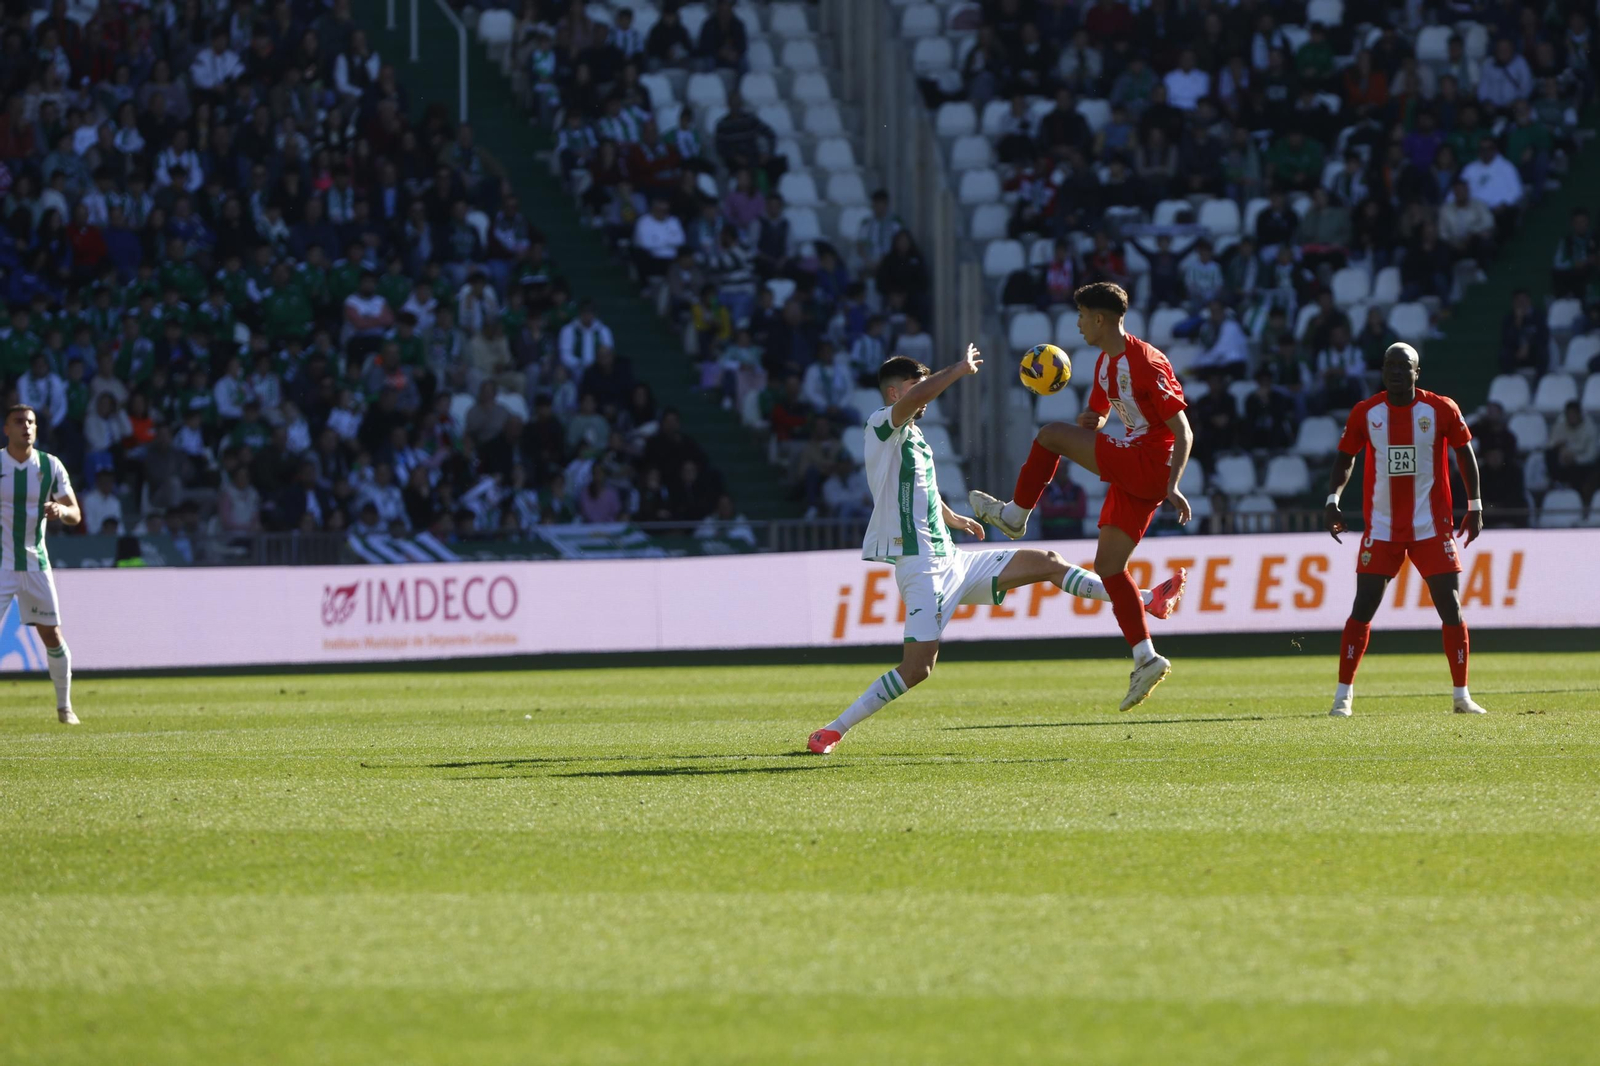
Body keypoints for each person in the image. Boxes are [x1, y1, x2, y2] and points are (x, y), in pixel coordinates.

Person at [806, 349, 1185, 755]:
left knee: (1048, 563)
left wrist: (954, 518)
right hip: (922, 569)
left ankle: (1146, 600)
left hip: (952, 558)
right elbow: (915, 404)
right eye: (916, 388)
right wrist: (957, 370)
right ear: (894, 393)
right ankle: (832, 730)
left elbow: (918, 490)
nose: (924, 397)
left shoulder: (914, 439)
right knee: (918, 669)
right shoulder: (881, 423)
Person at [967, 283, 1193, 711]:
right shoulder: (1106, 364)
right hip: (1136, 467)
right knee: (1109, 567)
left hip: (1150, 462)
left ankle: (1015, 515)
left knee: (1049, 435)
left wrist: (1173, 484)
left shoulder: (1146, 361)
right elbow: (1099, 414)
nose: (1077, 323)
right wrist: (1093, 418)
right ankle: (1145, 657)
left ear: (1100, 319)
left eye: (1082, 316)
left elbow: (1183, 430)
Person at [1324, 344, 1486, 718]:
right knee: (1362, 607)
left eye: (1404, 366)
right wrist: (1333, 499)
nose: (1396, 371)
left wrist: (1474, 507)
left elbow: (1465, 453)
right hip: (1381, 528)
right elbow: (1345, 457)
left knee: (1451, 606)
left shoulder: (1441, 409)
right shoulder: (1366, 412)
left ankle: (1461, 696)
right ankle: (1342, 697)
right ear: (1382, 370)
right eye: (1390, 365)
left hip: (1431, 527)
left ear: (1418, 372)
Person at [0, 405, 82, 724]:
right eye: (19, 422)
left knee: (50, 635)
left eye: (31, 422)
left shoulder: (50, 465)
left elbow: (76, 513)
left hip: (36, 564)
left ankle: (65, 707)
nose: (27, 427)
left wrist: (62, 512)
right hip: (2, 565)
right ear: (6, 429)